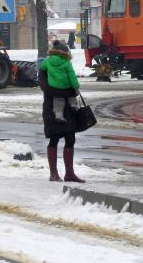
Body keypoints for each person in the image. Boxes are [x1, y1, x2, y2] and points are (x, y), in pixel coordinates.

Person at [39, 40, 85, 183]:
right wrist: (68, 90)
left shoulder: (48, 63)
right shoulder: (46, 66)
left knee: (70, 139)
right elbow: (46, 88)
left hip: (66, 109)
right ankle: (54, 174)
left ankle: (69, 174)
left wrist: (64, 91)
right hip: (52, 108)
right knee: (54, 139)